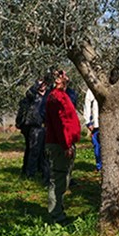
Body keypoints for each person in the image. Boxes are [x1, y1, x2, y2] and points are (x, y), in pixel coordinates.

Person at [44, 68, 80, 224]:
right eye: (63, 75)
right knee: (58, 180)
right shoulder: (55, 98)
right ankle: (56, 216)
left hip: (66, 143)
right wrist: (66, 146)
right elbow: (60, 124)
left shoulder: (63, 95)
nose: (67, 76)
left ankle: (59, 210)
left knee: (64, 179)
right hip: (59, 146)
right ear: (57, 79)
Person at [16, 79, 49, 181]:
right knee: (33, 151)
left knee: (45, 153)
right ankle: (30, 174)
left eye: (44, 83)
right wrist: (36, 85)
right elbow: (29, 93)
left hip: (47, 127)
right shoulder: (33, 96)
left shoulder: (49, 95)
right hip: (35, 127)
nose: (42, 85)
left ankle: (45, 174)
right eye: (40, 84)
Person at [83, 86, 102, 171]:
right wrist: (88, 122)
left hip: (107, 124)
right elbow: (87, 104)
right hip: (96, 125)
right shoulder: (92, 89)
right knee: (97, 146)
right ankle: (99, 166)